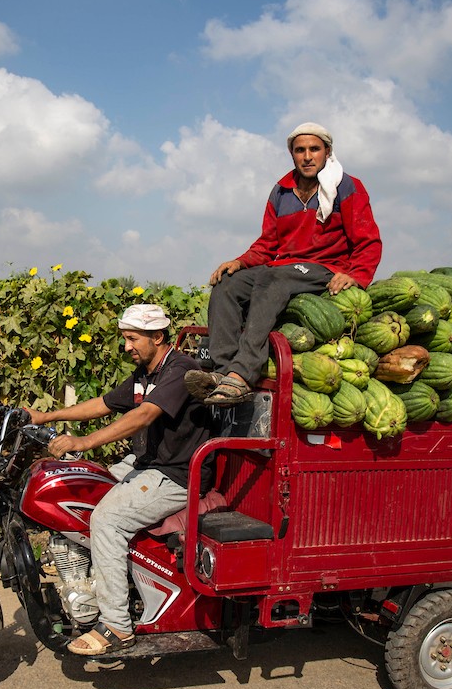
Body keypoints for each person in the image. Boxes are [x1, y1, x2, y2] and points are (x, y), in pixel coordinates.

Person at [26, 303, 213, 655]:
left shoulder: (180, 370)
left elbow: (144, 415)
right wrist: (43, 416)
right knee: (81, 491)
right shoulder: (146, 372)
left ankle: (116, 625)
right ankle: (95, 582)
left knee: (106, 520)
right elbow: (104, 403)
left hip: (176, 474)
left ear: (157, 337)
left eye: (132, 339)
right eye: (125, 338)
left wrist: (84, 441)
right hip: (143, 463)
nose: (126, 346)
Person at [188, 122, 382, 405]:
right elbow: (268, 243)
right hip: (284, 268)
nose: (307, 156)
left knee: (273, 278)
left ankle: (244, 374)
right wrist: (240, 262)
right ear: (291, 154)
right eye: (300, 150)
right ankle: (225, 370)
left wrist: (357, 275)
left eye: (314, 149)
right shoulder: (281, 190)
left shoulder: (347, 187)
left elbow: (368, 240)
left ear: (327, 152)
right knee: (227, 283)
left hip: (324, 268)